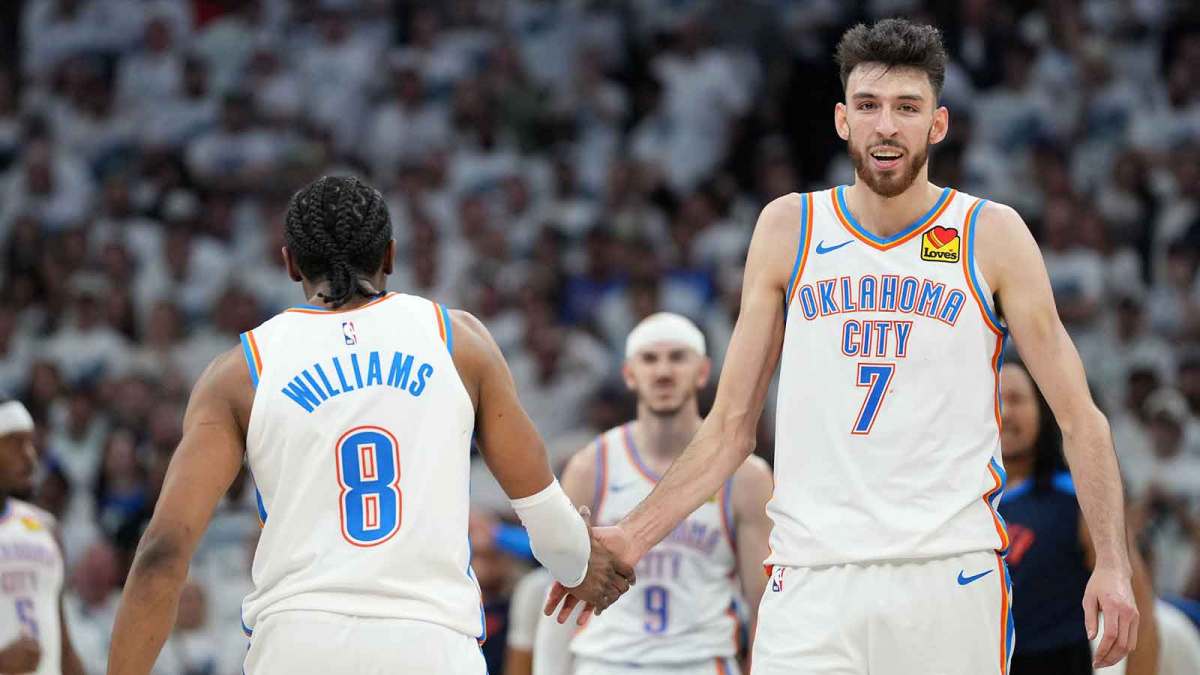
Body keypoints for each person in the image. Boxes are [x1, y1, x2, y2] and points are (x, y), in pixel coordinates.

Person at [547, 18, 1139, 675]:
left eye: (907, 108)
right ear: (841, 119)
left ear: (937, 124)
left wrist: (1113, 563)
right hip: (811, 578)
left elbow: (1081, 416)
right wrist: (630, 536)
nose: (886, 125)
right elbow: (730, 429)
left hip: (947, 575)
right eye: (869, 106)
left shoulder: (989, 233)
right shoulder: (789, 226)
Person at [106, 176, 634, 675]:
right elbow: (543, 514)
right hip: (430, 643)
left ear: (290, 264)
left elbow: (161, 554)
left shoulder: (240, 371)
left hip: (297, 643)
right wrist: (582, 564)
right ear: (390, 255)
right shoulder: (458, 341)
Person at [537, 313, 773, 675]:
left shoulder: (746, 476)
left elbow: (765, 604)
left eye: (678, 357)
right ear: (629, 374)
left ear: (703, 371)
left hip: (701, 661)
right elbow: (559, 597)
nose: (663, 371)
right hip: (605, 661)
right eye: (650, 359)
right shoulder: (591, 466)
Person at [995, 361, 1158, 674]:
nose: (1005, 411)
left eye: (1016, 399)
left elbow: (1141, 610)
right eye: (996, 399)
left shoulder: (1080, 499)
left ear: (1043, 409)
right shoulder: (962, 502)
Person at [0, 400, 84, 675]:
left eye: (30, 443)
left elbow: (64, 643)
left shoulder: (45, 527)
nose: (29, 456)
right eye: (14, 444)